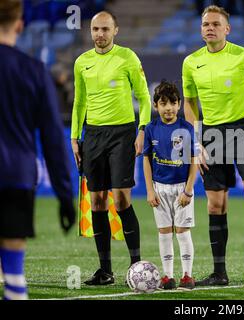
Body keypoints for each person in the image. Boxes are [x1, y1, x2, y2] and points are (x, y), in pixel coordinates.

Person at [182, 5, 244, 287]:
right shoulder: (191, 62)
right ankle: (219, 273)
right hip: (212, 135)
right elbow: (190, 104)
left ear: (227, 29)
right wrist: (196, 141)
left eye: (215, 24)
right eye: (205, 24)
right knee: (215, 206)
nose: (209, 28)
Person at [0, 0, 75, 300]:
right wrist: (64, 195)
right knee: (15, 276)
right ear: (20, 25)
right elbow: (53, 140)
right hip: (16, 175)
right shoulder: (33, 70)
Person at [71, 11, 151, 285]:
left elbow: (144, 96)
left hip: (122, 133)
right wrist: (74, 137)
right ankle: (105, 270)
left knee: (121, 199)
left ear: (115, 30)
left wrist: (142, 130)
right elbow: (79, 103)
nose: (99, 34)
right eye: (95, 29)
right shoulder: (82, 62)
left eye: (105, 29)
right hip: (92, 135)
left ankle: (135, 266)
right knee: (96, 201)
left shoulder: (128, 57)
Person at [143, 80, 197, 290]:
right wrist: (149, 189)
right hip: (159, 188)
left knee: (183, 232)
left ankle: (187, 275)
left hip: (181, 188)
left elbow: (194, 160)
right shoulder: (151, 128)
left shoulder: (187, 128)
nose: (168, 108)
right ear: (156, 105)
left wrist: (188, 190)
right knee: (164, 232)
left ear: (179, 104)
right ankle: (167, 277)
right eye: (163, 103)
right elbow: (146, 159)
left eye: (173, 103)